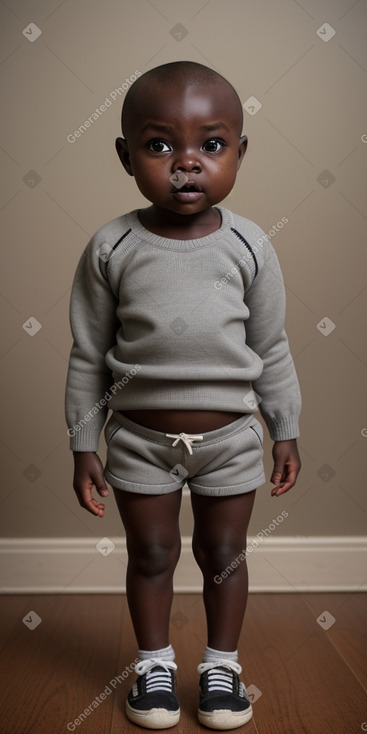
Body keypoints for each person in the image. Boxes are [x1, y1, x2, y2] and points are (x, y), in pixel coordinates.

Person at [65, 60, 301, 730]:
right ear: (126, 155)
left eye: (212, 144)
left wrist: (284, 427)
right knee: (152, 554)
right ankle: (153, 664)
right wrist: (84, 442)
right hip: (138, 440)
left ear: (239, 153)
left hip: (230, 440)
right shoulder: (111, 246)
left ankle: (221, 668)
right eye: (161, 145)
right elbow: (87, 354)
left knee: (223, 555)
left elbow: (272, 346)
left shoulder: (251, 245)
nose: (187, 164)